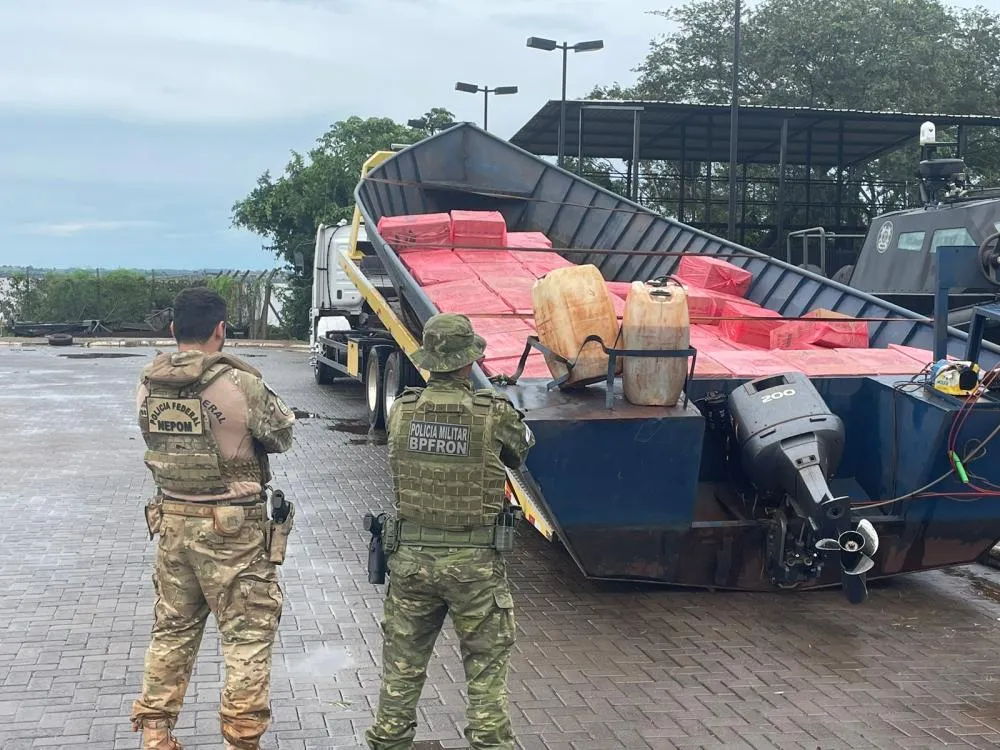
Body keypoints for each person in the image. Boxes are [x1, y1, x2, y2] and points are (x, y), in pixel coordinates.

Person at [129, 286, 296, 750]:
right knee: (247, 635)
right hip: (233, 529)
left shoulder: (148, 383)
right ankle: (241, 740)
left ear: (173, 329)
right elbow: (281, 434)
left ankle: (157, 733)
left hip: (172, 521)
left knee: (172, 628)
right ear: (221, 330)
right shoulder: (241, 384)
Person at [365, 313, 535, 750]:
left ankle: (388, 742)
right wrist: (499, 398)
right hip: (474, 567)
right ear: (467, 362)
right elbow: (521, 452)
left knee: (401, 669)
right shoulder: (492, 413)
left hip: (410, 563)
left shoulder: (402, 408)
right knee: (485, 670)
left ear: (429, 360)